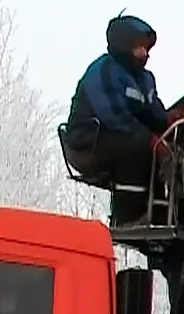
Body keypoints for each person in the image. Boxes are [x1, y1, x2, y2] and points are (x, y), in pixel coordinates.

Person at [59, 14, 172, 224]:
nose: (145, 54)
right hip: (87, 141)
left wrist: (170, 122)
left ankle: (159, 213)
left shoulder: (144, 79)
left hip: (115, 135)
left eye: (147, 49)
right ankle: (128, 215)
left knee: (161, 150)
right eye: (140, 47)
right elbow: (114, 115)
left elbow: (152, 112)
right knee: (137, 147)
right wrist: (149, 140)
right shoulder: (104, 71)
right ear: (125, 45)